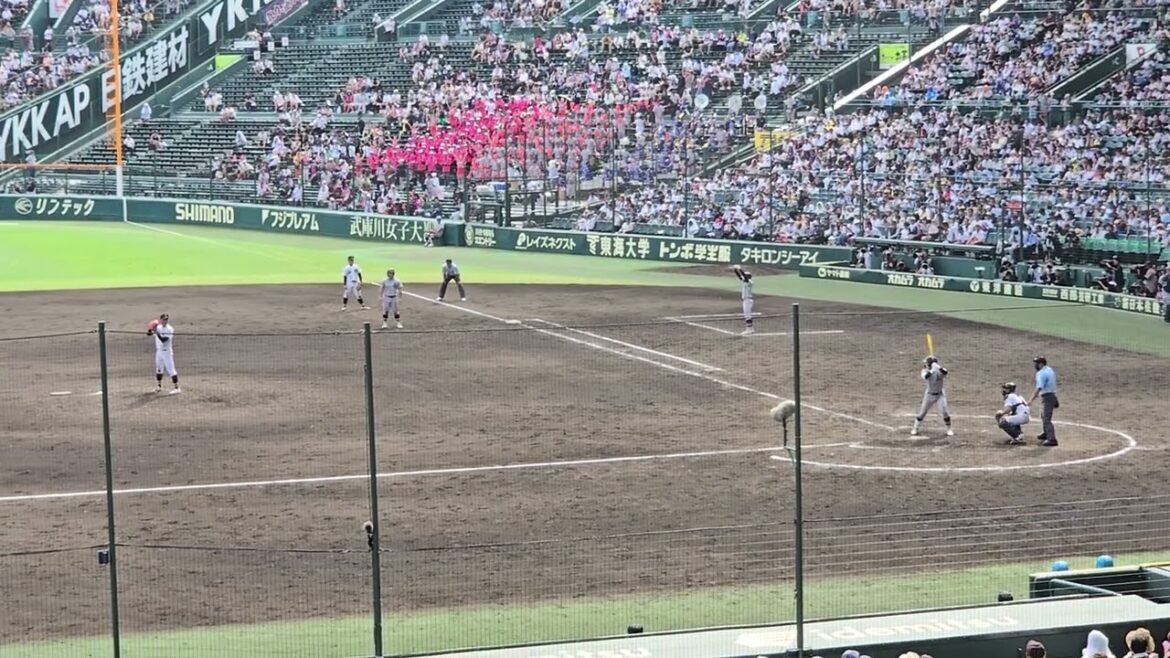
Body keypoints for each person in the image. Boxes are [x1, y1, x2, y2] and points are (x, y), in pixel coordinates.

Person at [911, 356, 954, 437]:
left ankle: (949, 429)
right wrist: (932, 371)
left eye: (927, 363)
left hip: (940, 395)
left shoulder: (939, 371)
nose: (926, 364)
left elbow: (945, 372)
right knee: (922, 413)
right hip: (929, 395)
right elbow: (925, 377)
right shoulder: (924, 371)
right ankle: (915, 428)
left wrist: (938, 367)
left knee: (944, 411)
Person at [147, 314, 181, 395]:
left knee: (171, 370)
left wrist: (156, 332)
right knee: (159, 369)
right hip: (159, 352)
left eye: (166, 319)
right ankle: (159, 387)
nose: (165, 321)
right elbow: (149, 334)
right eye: (163, 319)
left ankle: (177, 388)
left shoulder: (170, 329)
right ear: (161, 320)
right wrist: (150, 330)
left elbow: (164, 340)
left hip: (167, 353)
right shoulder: (158, 327)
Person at [1030, 356, 1059, 447]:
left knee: (1046, 418)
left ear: (1041, 364)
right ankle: (1046, 433)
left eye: (1036, 363)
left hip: (1048, 397)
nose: (1035, 365)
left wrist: (1031, 400)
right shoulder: (1049, 370)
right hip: (1051, 395)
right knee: (1043, 416)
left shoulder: (1041, 373)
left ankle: (1051, 439)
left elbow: (1039, 388)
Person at [730, 264, 754, 335]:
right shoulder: (745, 281)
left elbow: (744, 277)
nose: (744, 276)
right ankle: (750, 329)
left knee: (747, 315)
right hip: (746, 300)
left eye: (745, 275)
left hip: (747, 300)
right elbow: (740, 277)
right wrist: (735, 270)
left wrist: (740, 269)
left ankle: (749, 329)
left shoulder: (750, 282)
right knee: (747, 315)